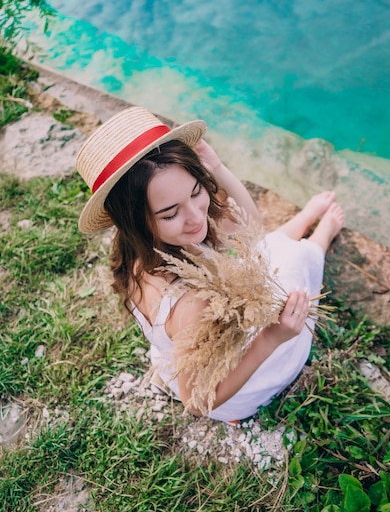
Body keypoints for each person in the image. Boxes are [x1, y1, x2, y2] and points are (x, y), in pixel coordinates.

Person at [76, 106, 344, 423]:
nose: (195, 216)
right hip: (237, 383)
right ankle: (321, 238)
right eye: (170, 213)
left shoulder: (137, 245)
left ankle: (303, 221)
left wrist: (216, 167)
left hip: (188, 358)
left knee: (267, 248)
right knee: (296, 260)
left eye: (196, 191)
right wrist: (272, 337)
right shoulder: (192, 304)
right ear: (137, 219)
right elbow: (197, 403)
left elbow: (251, 230)